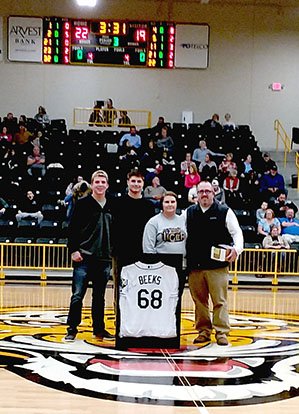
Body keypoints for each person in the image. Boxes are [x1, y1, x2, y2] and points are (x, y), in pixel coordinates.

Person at [186, 181, 243, 346]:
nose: (204, 194)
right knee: (199, 302)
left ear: (214, 193)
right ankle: (203, 331)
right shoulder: (188, 212)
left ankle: (221, 333)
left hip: (217, 267)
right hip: (195, 266)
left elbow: (236, 232)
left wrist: (237, 250)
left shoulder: (225, 211)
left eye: (208, 191)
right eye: (201, 191)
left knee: (220, 301)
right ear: (196, 194)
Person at [64, 170, 114, 342]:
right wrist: (73, 250)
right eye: (97, 182)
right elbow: (72, 229)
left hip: (104, 258)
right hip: (84, 257)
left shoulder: (112, 204)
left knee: (99, 297)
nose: (100, 185)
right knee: (77, 295)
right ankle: (71, 329)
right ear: (92, 184)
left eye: (103, 182)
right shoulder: (83, 204)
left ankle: (99, 329)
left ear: (107, 185)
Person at [112, 170, 156, 299]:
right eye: (133, 181)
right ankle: (119, 317)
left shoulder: (148, 206)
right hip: (121, 252)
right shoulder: (118, 203)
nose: (136, 184)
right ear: (128, 182)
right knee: (120, 287)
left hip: (141, 252)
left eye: (139, 181)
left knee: (140, 286)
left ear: (143, 184)